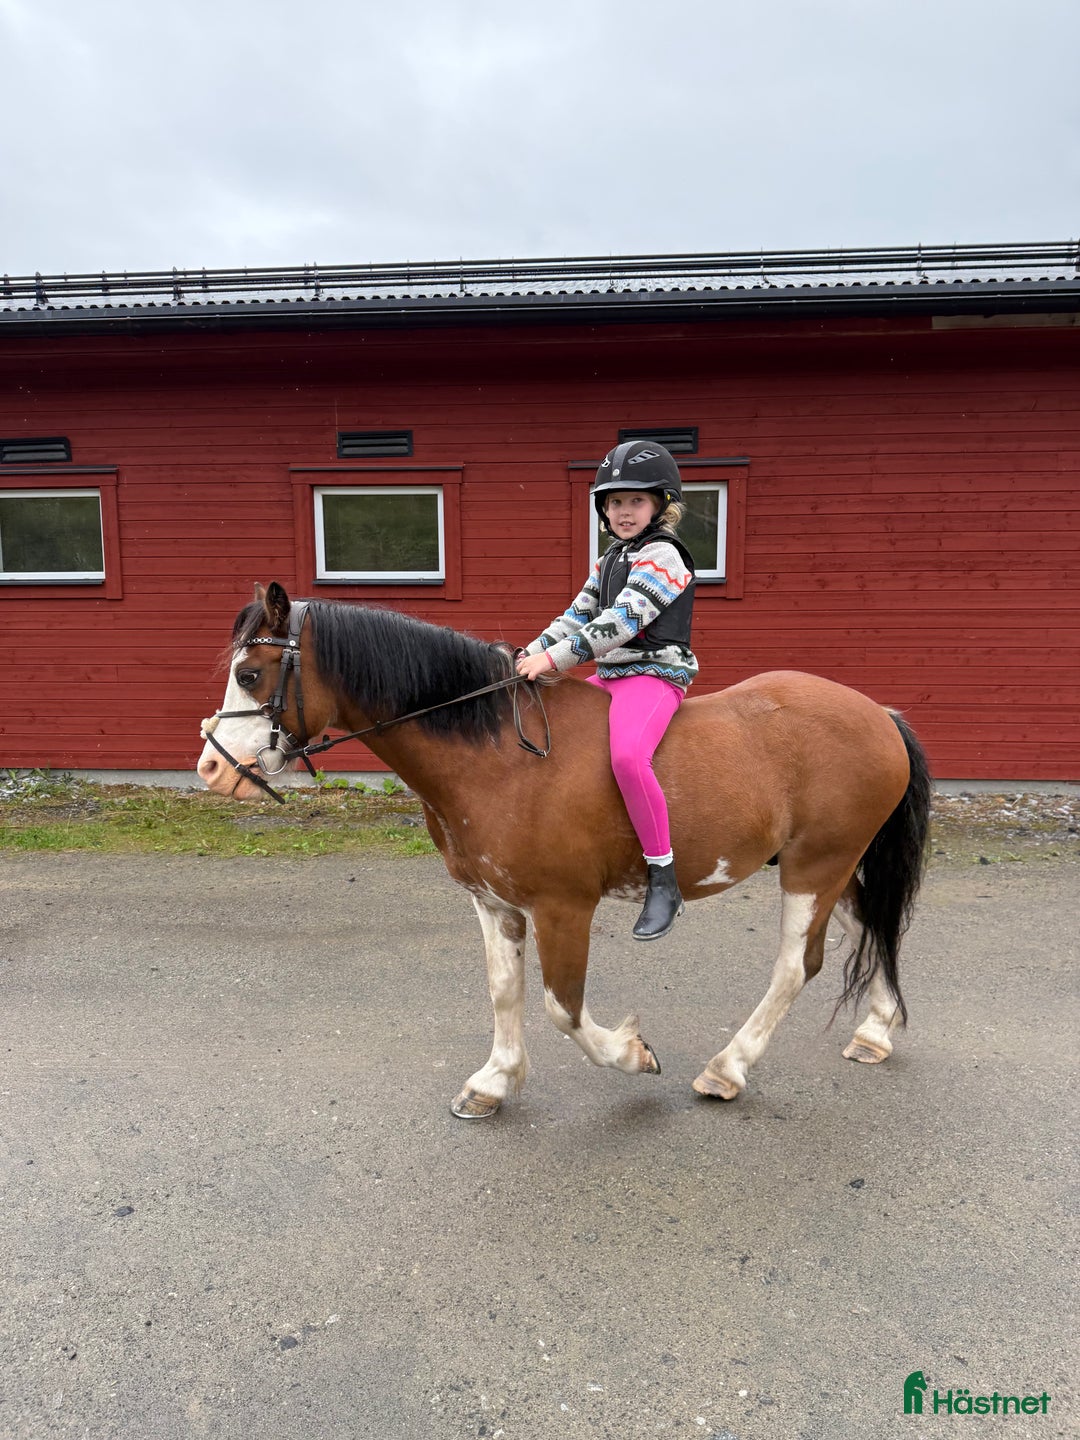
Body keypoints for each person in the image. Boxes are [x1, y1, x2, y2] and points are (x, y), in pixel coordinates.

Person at [516, 440, 698, 940]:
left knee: (627, 757)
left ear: (661, 503)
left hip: (655, 674)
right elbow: (577, 615)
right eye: (614, 502)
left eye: (635, 501)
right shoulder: (611, 558)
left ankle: (663, 877)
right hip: (613, 675)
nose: (623, 511)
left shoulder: (664, 556)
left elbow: (620, 623)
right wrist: (522, 655)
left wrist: (552, 660)